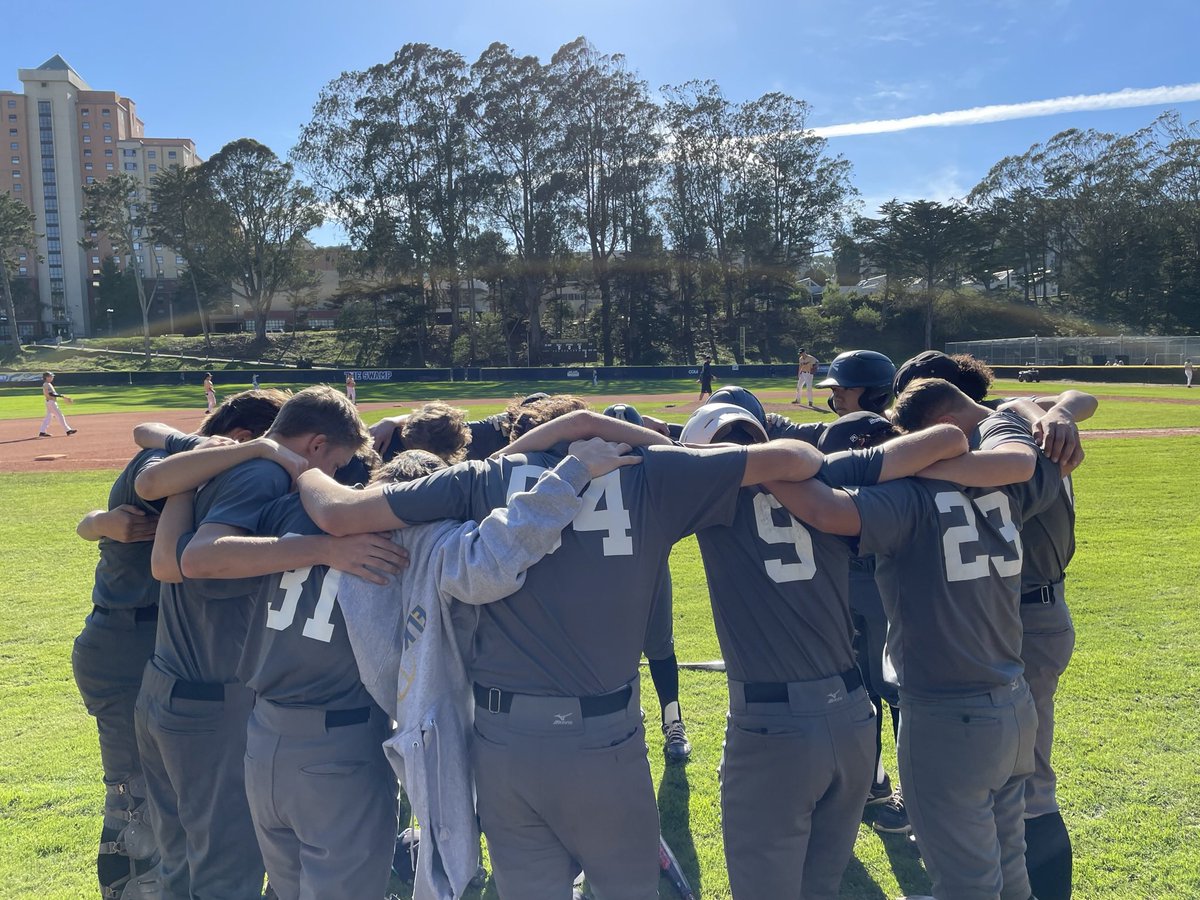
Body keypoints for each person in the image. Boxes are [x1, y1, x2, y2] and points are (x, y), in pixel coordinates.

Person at [298, 406, 824, 900]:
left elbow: (337, 512)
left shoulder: (480, 478)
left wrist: (295, 465)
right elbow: (799, 457)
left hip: (501, 742)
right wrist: (665, 446)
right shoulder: (653, 475)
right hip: (605, 739)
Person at [770, 378, 1062, 900]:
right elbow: (1031, 452)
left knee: (965, 881)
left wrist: (763, 470)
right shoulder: (1007, 478)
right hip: (1015, 703)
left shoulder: (904, 497)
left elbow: (823, 510)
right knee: (1009, 862)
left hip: (949, 712)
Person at [680, 399, 969, 898]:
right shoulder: (831, 476)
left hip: (773, 725)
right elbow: (948, 438)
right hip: (854, 716)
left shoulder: (711, 491)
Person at [338, 441, 643, 899]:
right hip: (449, 719)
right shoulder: (435, 538)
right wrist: (572, 473)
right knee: (472, 850)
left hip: (388, 712)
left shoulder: (345, 543)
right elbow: (493, 558)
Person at [132, 386, 367, 900]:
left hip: (166, 685)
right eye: (336, 461)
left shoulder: (218, 461)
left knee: (182, 861)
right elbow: (197, 559)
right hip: (209, 702)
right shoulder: (264, 474)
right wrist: (323, 547)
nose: (334, 476)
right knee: (227, 872)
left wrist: (193, 479)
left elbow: (153, 491)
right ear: (316, 443)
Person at [72, 391, 287, 898]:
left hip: (138, 642)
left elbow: (149, 431)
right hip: (129, 644)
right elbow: (151, 464)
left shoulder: (195, 456)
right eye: (267, 447)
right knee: (135, 801)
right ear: (240, 438)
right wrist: (98, 524)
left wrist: (95, 524)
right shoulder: (180, 465)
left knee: (163, 804)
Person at [604, 403, 691, 761]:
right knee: (642, 650)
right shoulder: (657, 466)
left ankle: (671, 721)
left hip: (640, 571)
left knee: (656, 648)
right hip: (616, 575)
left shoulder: (587, 466)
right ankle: (657, 721)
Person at [817, 350, 896, 415]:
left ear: (878, 395)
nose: (837, 398)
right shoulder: (833, 431)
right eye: (834, 389)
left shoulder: (900, 433)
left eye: (847, 389)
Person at [39, 371, 76, 437]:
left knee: (48, 417)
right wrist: (62, 396)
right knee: (60, 416)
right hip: (51, 402)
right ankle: (68, 430)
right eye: (51, 376)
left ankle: (42, 431)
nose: (52, 377)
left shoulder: (47, 384)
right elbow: (51, 394)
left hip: (49, 402)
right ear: (47, 377)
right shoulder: (47, 384)